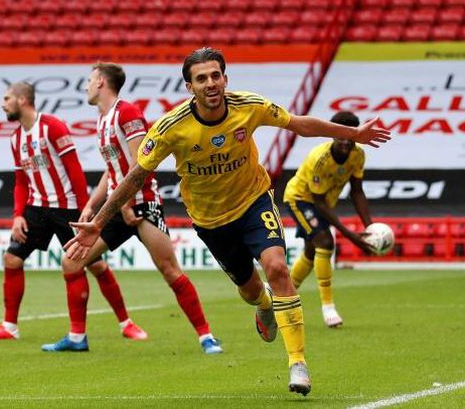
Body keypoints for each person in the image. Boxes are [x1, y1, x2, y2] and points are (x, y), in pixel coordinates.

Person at [63, 47, 391, 396]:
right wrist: (98, 222)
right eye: (201, 78)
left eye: (215, 75)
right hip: (211, 220)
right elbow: (135, 175)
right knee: (250, 291)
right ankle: (264, 305)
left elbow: (298, 123)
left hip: (254, 202)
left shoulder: (248, 105)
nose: (210, 83)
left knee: (278, 267)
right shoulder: (171, 128)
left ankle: (298, 362)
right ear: (189, 87)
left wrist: (352, 135)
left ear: (225, 79)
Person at [41, 62, 222, 355]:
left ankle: (206, 337)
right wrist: (90, 205)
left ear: (100, 81)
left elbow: (141, 162)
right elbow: (112, 169)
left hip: (142, 205)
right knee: (72, 261)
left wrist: (126, 203)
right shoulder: (103, 120)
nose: (86, 86)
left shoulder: (128, 113)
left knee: (169, 270)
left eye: (89, 80)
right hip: (117, 209)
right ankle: (76, 338)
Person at [0, 82, 147, 342]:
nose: (3, 104)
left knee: (95, 264)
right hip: (36, 209)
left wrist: (83, 209)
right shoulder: (16, 139)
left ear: (22, 100)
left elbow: (75, 170)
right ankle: (9, 327)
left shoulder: (52, 126)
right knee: (12, 259)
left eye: (7, 98)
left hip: (66, 208)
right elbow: (22, 181)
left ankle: (126, 323)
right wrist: (18, 216)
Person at [284, 111, 375, 328]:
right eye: (340, 136)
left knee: (311, 251)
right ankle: (328, 307)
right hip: (300, 200)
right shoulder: (319, 159)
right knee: (325, 242)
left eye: (349, 136)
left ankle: (283, 296)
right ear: (332, 135)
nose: (345, 141)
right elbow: (319, 202)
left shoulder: (358, 155)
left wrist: (370, 228)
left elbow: (357, 192)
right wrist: (350, 235)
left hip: (323, 203)